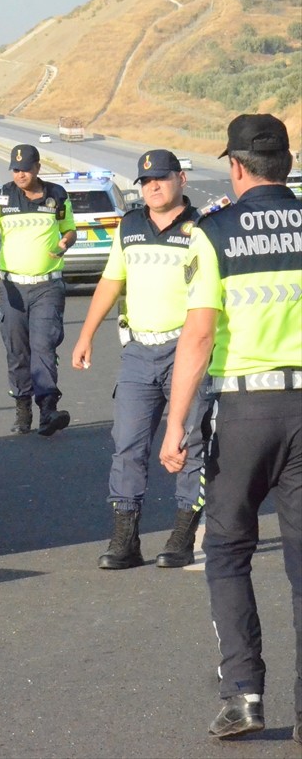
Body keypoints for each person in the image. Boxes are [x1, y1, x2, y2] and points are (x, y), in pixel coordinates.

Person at [158, 114, 301, 742]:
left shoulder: (212, 232)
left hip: (243, 413)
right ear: (288, 165)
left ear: (237, 167)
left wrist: (174, 426)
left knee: (228, 552)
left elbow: (199, 335)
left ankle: (244, 696)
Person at [70, 150, 206, 570]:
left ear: (180, 179)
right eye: (146, 181)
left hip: (187, 349)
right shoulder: (129, 225)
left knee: (190, 441)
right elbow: (112, 280)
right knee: (127, 443)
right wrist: (86, 334)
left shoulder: (202, 228)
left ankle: (183, 533)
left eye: (161, 179)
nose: (153, 187)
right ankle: (125, 540)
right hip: (138, 352)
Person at [0, 144, 76, 436]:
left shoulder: (56, 195)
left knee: (44, 345)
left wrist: (65, 242)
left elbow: (70, 230)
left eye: (26, 169)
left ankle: (48, 409)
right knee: (18, 349)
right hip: (12, 286)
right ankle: (22, 407)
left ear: (38, 168)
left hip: (48, 285)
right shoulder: (2, 197)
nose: (20, 174)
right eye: (16, 169)